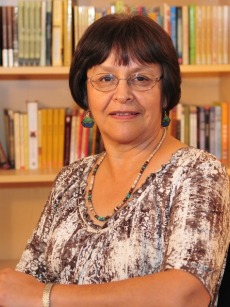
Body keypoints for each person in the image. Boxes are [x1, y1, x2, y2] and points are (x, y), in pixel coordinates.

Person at [0, 13, 229, 307]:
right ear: (86, 93)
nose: (122, 94)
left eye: (141, 78)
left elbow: (186, 295)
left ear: (166, 92)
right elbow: (25, 283)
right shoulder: (71, 179)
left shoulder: (198, 173)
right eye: (105, 78)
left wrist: (45, 297)